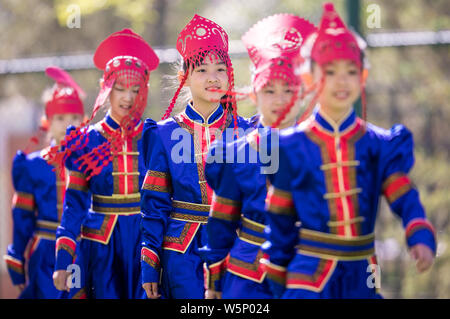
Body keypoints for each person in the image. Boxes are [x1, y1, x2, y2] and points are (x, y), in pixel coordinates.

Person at [262, 3, 436, 299]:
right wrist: (277, 274)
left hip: (364, 271)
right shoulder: (290, 146)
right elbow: (279, 219)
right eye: (330, 71)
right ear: (310, 78)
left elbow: (403, 195)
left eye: (351, 71)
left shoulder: (379, 144)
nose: (341, 80)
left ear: (363, 77)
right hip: (309, 274)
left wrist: (417, 232)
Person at [201, 14, 316, 299]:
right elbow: (222, 221)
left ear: (302, 93)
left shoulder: (318, 149)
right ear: (254, 94)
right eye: (269, 91)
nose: (279, 100)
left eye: (288, 90)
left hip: (304, 270)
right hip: (246, 275)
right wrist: (214, 282)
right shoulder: (235, 153)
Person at [140, 14, 250, 299]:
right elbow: (155, 204)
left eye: (220, 69)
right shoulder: (163, 134)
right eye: (202, 70)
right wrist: (150, 262)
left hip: (234, 248)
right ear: (184, 77)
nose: (213, 77)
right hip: (181, 252)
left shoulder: (248, 132)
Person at [52, 29, 159, 299]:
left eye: (136, 90)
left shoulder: (152, 136)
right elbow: (74, 203)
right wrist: (63, 260)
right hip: (101, 244)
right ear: (106, 89)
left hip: (145, 240)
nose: (128, 98)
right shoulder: (85, 140)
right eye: (119, 89)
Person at [3, 66, 84, 298]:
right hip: (45, 251)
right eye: (60, 118)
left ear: (84, 119)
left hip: (83, 249)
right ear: (47, 120)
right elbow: (22, 219)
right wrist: (17, 257)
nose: (68, 124)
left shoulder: (92, 163)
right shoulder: (32, 166)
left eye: (74, 118)